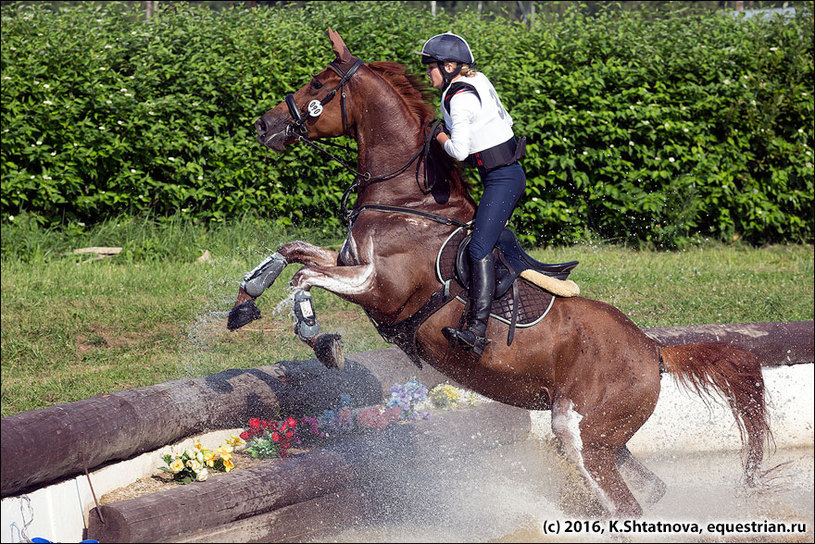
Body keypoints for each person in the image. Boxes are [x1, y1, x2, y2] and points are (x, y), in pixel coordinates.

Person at [416, 32, 527, 358]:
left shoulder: (460, 96)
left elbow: (460, 151)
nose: (427, 73)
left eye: (431, 67)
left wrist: (438, 135)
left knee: (478, 247)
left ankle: (476, 331)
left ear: (449, 66)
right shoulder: (475, 80)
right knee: (482, 238)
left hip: (503, 178)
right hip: (502, 174)